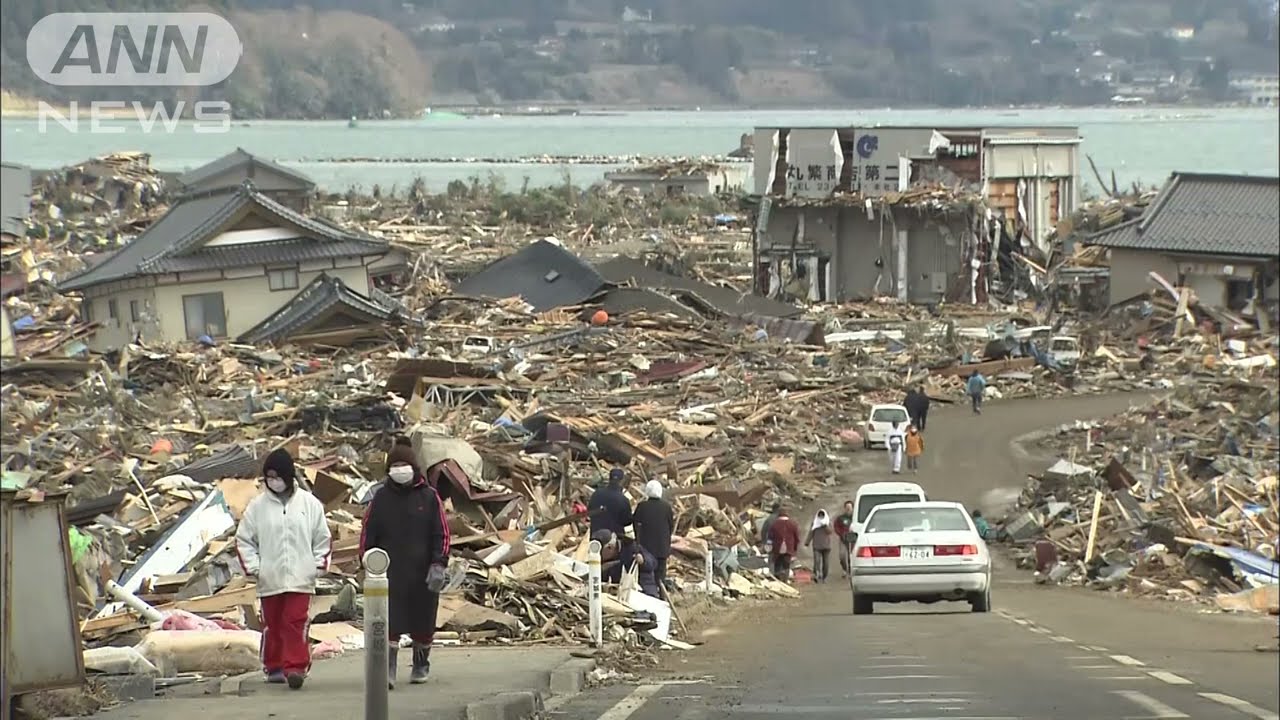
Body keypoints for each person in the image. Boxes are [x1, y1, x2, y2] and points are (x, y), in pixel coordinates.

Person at [235, 448, 332, 690]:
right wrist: (255, 568)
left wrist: (317, 566)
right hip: (270, 577)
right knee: (274, 624)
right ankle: (274, 665)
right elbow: (244, 540)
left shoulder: (309, 504)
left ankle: (296, 668)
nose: (273, 481)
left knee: (295, 622)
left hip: (301, 577)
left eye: (277, 476)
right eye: (269, 477)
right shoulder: (257, 507)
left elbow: (322, 538)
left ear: (288, 477)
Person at [359, 441, 450, 689]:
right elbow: (368, 533)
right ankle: (387, 668)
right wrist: (367, 563)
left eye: (404, 465)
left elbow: (441, 532)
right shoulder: (381, 498)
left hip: (423, 572)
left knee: (424, 620)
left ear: (413, 467)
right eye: (395, 465)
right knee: (389, 621)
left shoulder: (429, 497)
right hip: (390, 572)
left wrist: (439, 563)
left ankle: (421, 664)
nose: (400, 469)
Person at [632, 479, 674, 590]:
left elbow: (635, 524)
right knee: (660, 577)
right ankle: (661, 594)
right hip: (662, 547)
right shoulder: (666, 507)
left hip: (646, 549)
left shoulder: (642, 506)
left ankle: (649, 594)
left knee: (646, 577)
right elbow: (671, 525)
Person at [595, 529, 660, 598]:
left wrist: (643, 560)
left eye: (600, 552)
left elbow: (653, 563)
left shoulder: (632, 547)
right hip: (619, 593)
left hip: (644, 592)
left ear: (610, 547)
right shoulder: (604, 561)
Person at [588, 467, 633, 536]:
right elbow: (627, 521)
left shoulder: (597, 493)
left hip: (595, 534)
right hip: (614, 536)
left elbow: (590, 511)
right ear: (621, 481)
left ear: (609, 479)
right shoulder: (623, 500)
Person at [767, 505, 801, 583]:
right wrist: (794, 549)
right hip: (789, 548)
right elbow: (797, 538)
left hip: (777, 548)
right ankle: (785, 580)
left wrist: (769, 548)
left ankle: (777, 580)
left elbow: (770, 537)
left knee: (777, 564)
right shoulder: (793, 524)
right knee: (786, 565)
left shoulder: (774, 524)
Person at [805, 509, 835, 583]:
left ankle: (825, 577)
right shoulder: (815, 523)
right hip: (817, 545)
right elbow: (811, 532)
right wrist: (807, 542)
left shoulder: (828, 522)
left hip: (826, 546)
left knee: (826, 563)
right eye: (820, 515)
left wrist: (825, 526)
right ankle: (816, 575)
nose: (821, 517)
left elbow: (830, 531)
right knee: (817, 561)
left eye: (822, 515)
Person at [833, 501, 856, 577]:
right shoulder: (840, 518)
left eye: (850, 507)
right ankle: (844, 569)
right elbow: (836, 527)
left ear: (853, 508)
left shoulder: (855, 518)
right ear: (844, 508)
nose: (848, 509)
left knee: (851, 557)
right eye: (847, 507)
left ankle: (850, 571)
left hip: (853, 540)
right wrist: (841, 534)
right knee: (842, 555)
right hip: (843, 540)